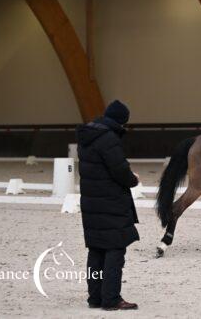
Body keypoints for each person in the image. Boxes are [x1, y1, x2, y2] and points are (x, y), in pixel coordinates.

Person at [76, 100, 140, 311]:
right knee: (115, 249)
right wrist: (134, 179)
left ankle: (95, 297)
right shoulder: (109, 139)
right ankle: (111, 299)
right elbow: (120, 171)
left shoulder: (87, 137)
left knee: (96, 249)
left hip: (92, 202)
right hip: (111, 202)